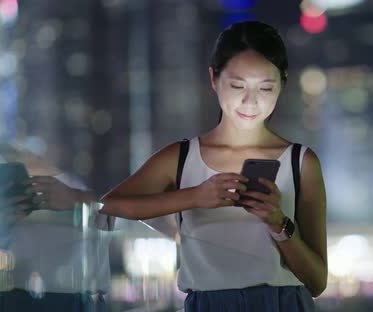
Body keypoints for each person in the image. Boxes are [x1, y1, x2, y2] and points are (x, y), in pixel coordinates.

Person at [100, 21, 327, 311]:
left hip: (283, 303)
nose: (250, 100)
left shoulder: (301, 162)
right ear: (213, 79)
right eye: (237, 86)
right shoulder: (181, 157)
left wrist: (278, 223)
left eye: (266, 88)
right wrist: (195, 196)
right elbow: (110, 204)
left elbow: (317, 282)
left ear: (282, 83)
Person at [0, 142, 112, 311]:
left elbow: (126, 211)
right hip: (12, 294)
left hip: (75, 297)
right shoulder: (1, 178)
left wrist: (74, 198)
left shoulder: (92, 173)